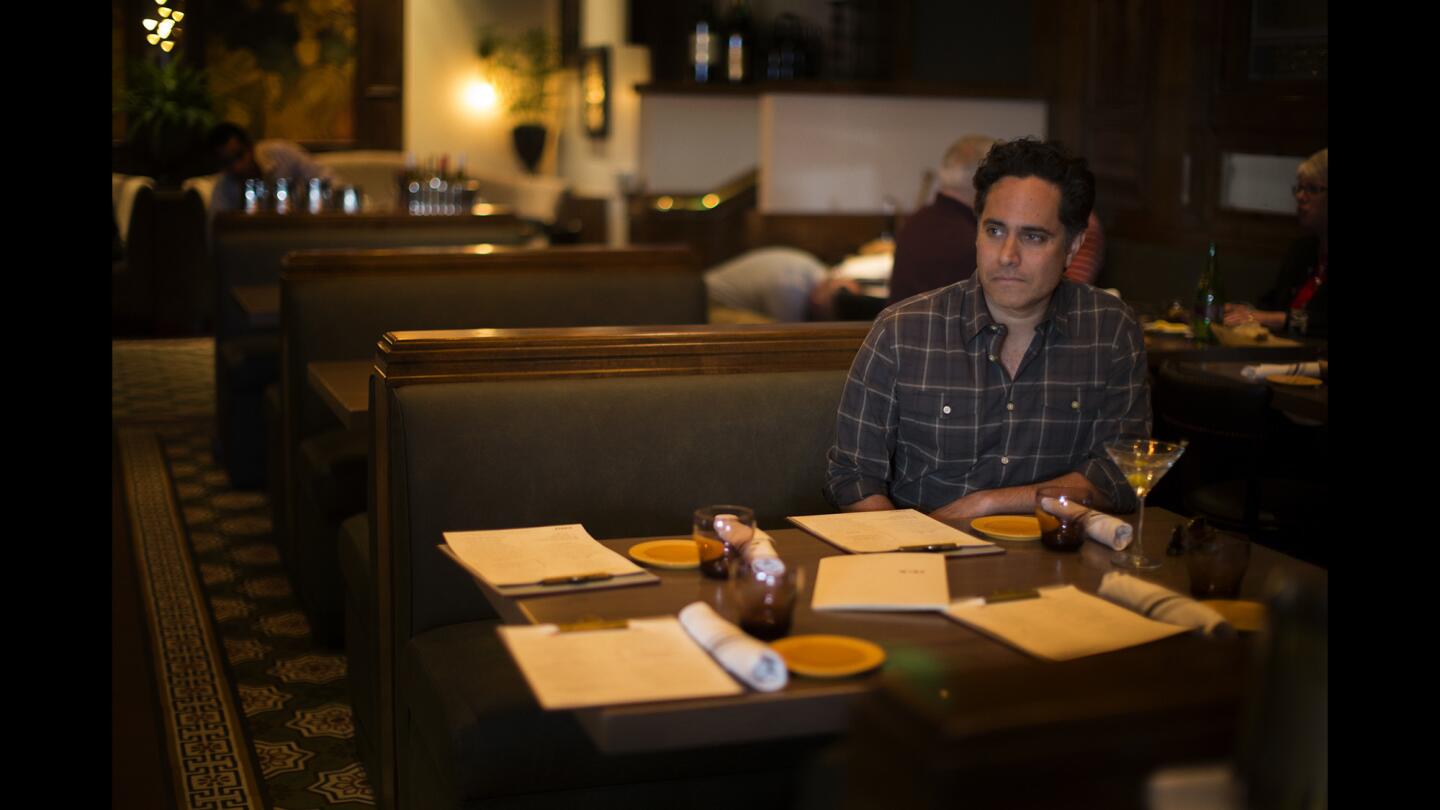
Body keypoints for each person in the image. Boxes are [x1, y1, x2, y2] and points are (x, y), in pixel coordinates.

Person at [825, 138, 1149, 522]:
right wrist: (907, 549)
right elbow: (852, 477)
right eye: (995, 231)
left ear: (1074, 246)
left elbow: (1120, 477)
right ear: (976, 232)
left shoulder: (1110, 330)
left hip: (1060, 560)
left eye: (1033, 237)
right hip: (930, 564)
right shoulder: (902, 331)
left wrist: (990, 502)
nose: (1008, 256)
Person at [1223, 148, 1327, 337]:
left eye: (1312, 189)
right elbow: (1272, 304)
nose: (1300, 197)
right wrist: (1242, 310)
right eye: (1299, 188)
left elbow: (1322, 322)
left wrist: (1273, 319)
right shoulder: (1303, 250)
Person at [206, 122, 334, 215]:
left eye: (239, 155)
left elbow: (329, 181)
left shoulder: (282, 155)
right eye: (227, 163)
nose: (236, 167)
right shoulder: (223, 189)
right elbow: (218, 236)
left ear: (250, 147)